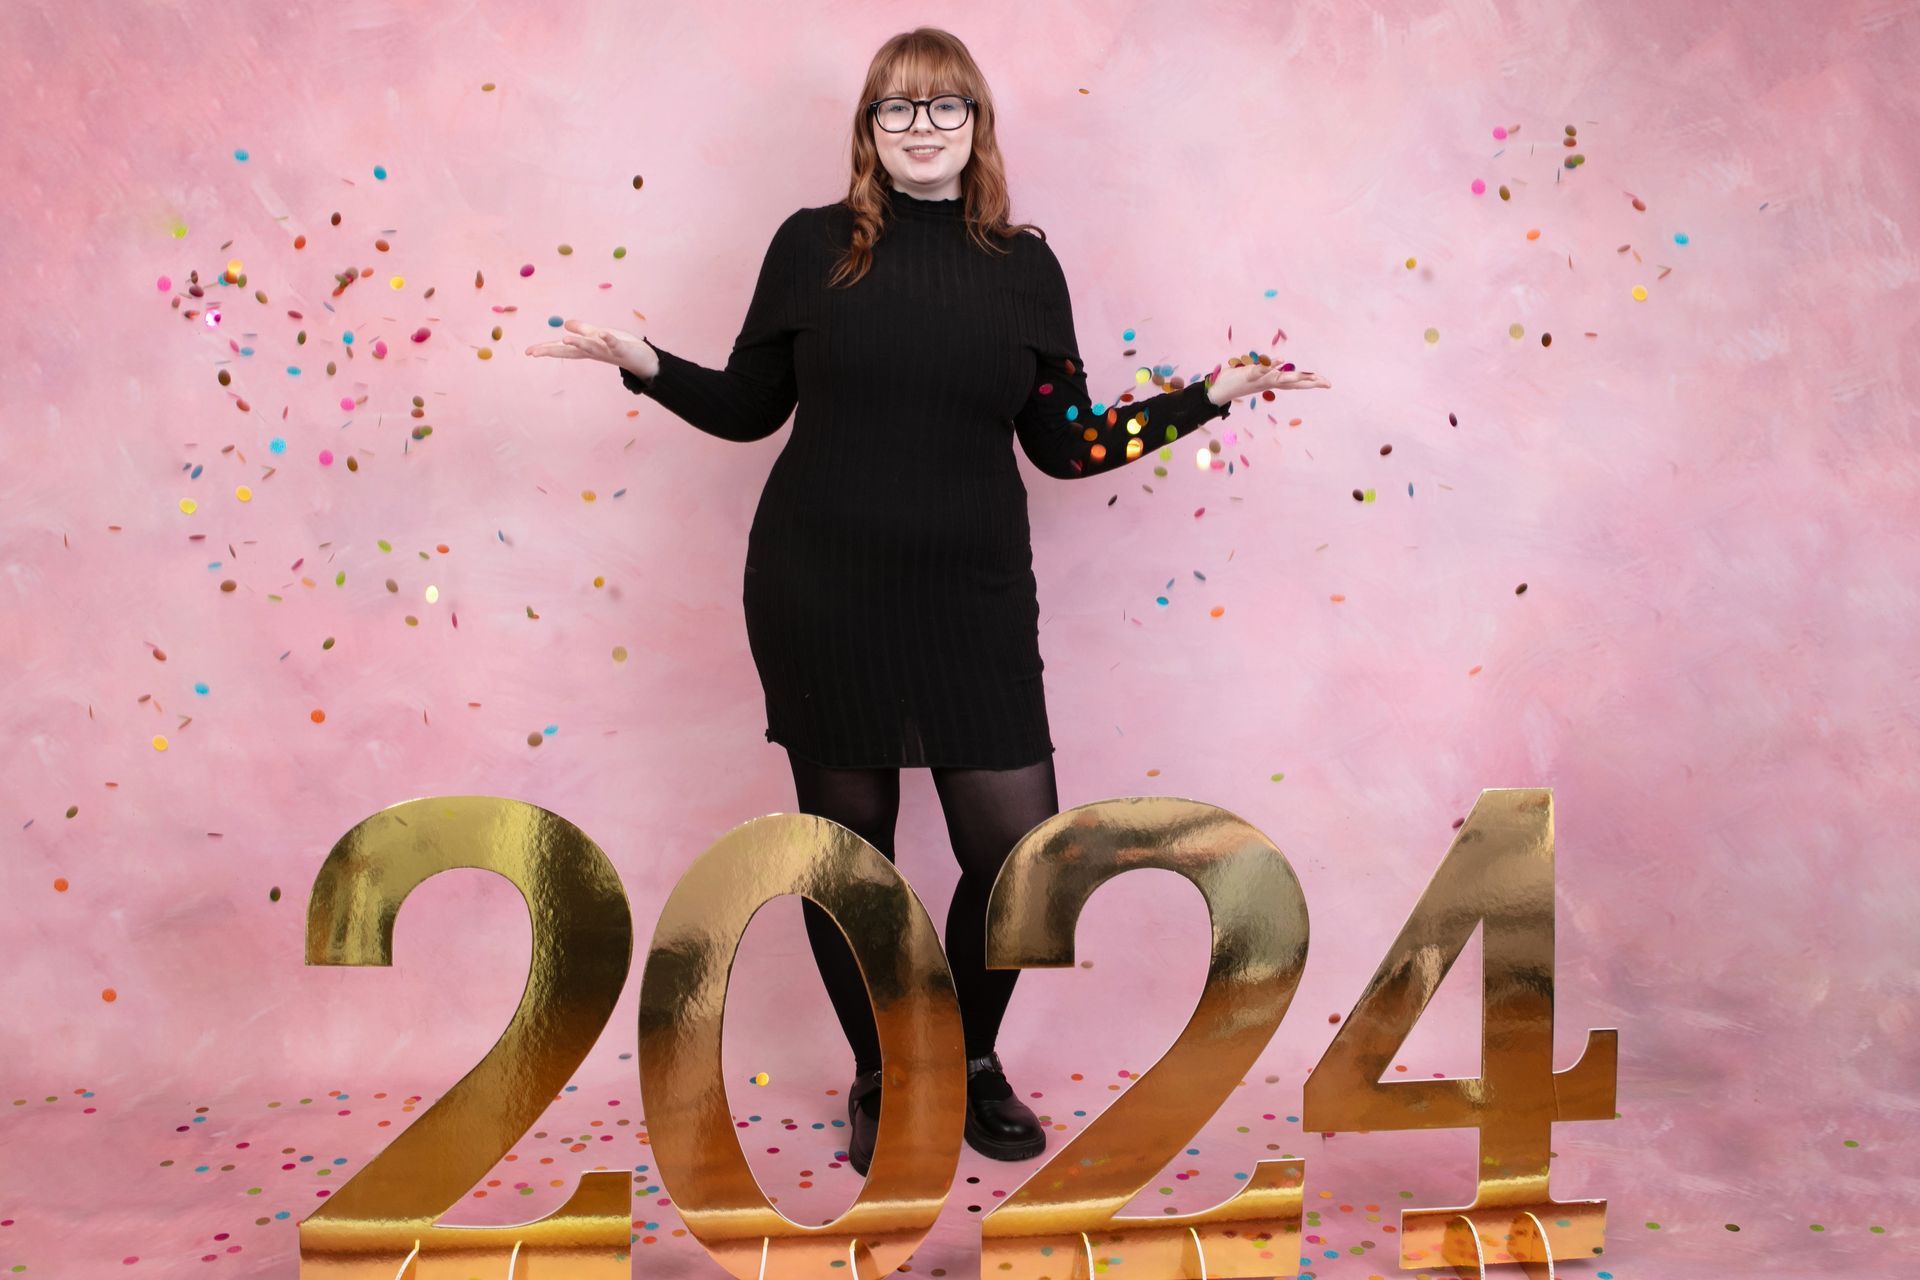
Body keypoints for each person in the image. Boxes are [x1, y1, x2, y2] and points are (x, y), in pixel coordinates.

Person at [528, 27, 1330, 1177]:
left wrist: (1211, 394)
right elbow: (756, 407)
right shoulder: (813, 248)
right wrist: (647, 363)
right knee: (849, 858)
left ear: (976, 125)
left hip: (973, 597)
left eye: (942, 107)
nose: (919, 127)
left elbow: (1066, 444)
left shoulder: (1023, 264)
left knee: (1018, 855)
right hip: (822, 588)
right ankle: (883, 1070)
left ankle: (970, 1057)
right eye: (895, 110)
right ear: (868, 129)